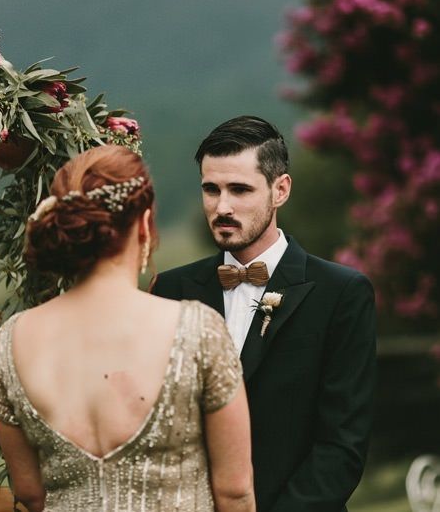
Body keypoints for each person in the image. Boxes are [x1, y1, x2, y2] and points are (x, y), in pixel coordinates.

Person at [0, 145, 257, 512]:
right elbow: (235, 492)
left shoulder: (11, 342)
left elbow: (30, 493)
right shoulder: (197, 331)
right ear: (144, 224)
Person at [152, 116, 377, 512]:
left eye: (239, 190)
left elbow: (341, 447)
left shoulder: (341, 294)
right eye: (211, 189)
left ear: (280, 190)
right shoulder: (170, 290)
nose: (222, 206)